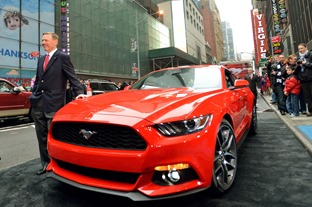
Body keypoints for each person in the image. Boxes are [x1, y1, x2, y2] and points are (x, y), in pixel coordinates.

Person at [30, 32, 84, 175]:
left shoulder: (62, 57)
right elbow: (38, 80)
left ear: (55, 42)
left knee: (53, 136)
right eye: (42, 40)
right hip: (38, 103)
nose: (43, 43)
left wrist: (79, 93)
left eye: (46, 40)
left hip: (54, 103)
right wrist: (33, 94)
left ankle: (58, 164)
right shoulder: (41, 59)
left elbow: (72, 78)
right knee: (41, 135)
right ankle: (45, 163)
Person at [296, 43, 312, 117]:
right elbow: (297, 70)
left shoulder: (310, 55)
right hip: (303, 79)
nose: (300, 50)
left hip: (310, 78)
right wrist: (298, 66)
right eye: (299, 49)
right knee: (307, 96)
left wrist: (305, 63)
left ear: (306, 48)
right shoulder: (299, 57)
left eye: (301, 48)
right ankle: (310, 110)